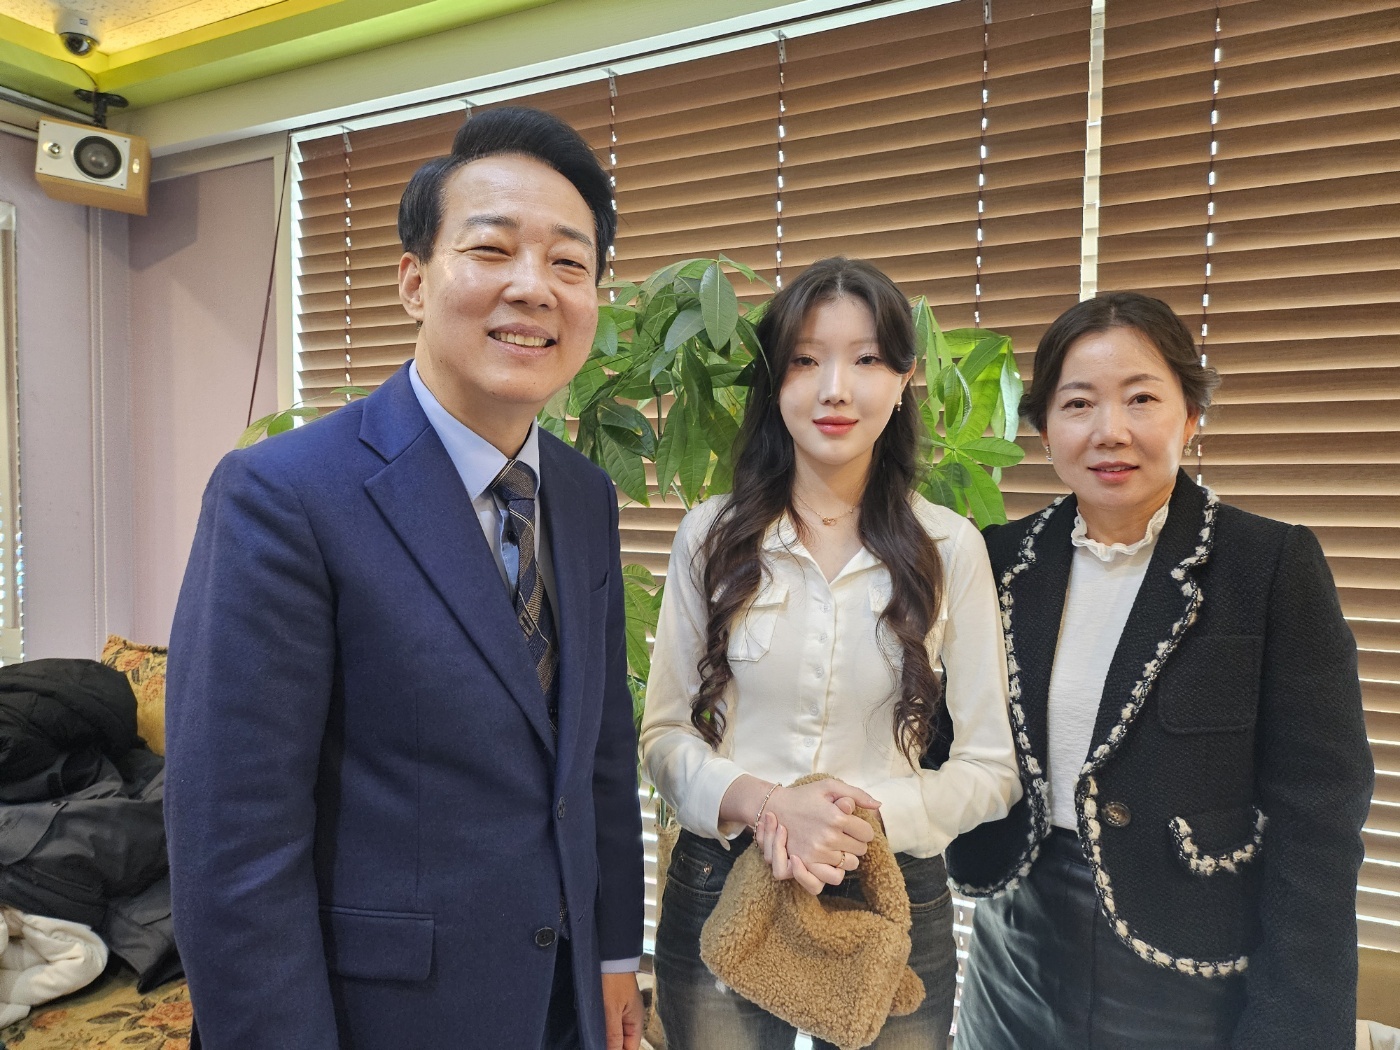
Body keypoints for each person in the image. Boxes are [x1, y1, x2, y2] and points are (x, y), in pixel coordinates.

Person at [164, 107, 645, 1050]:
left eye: (568, 263)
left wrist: (613, 954)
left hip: (562, 1003)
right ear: (414, 282)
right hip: (384, 1017)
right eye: (492, 249)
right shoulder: (284, 493)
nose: (532, 287)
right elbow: (235, 842)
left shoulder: (584, 495)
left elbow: (598, 755)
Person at [948, 292, 1374, 1049]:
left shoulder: (1269, 565)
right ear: (1045, 428)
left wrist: (1296, 1023)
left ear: (1191, 415)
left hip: (1191, 959)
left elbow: (1320, 814)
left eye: (1141, 398)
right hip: (1015, 944)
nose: (1109, 430)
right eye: (1078, 403)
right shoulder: (997, 560)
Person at [640, 257, 1021, 1050]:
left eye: (866, 359)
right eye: (806, 360)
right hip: (724, 875)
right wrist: (769, 806)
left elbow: (992, 768)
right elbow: (664, 736)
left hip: (892, 886)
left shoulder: (950, 548)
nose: (835, 389)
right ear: (774, 381)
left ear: (904, 379)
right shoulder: (711, 536)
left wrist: (859, 826)